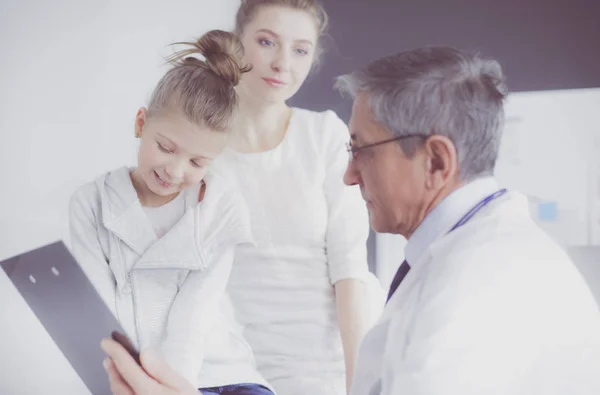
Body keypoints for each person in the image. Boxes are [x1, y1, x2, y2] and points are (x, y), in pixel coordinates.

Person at [101, 45, 600, 395]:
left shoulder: (476, 291)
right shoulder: (468, 256)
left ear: (437, 163)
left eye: (361, 150)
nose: (348, 175)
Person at [70, 30, 274, 394]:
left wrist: (177, 389)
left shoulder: (220, 207)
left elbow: (192, 318)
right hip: (138, 379)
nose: (176, 172)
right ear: (140, 123)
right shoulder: (92, 202)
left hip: (221, 375)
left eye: (198, 161)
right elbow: (98, 318)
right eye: (166, 148)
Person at [209, 1, 384, 394]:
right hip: (233, 374)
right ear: (237, 44)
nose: (282, 63)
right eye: (267, 42)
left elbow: (350, 269)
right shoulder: (201, 149)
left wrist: (357, 385)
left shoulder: (323, 136)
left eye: (300, 49)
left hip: (323, 373)